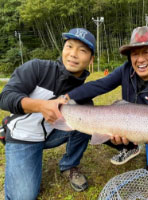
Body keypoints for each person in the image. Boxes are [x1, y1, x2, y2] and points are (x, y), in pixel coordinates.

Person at [64, 26, 148, 200]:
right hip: (129, 124)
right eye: (134, 54)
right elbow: (100, 85)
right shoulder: (126, 70)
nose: (140, 59)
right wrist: (68, 97)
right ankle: (130, 148)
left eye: (146, 52)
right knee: (101, 127)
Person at [0, 27, 95, 200]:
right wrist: (41, 106)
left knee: (86, 120)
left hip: (52, 133)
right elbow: (5, 97)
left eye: (82, 50)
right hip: (23, 136)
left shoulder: (84, 93)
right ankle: (7, 130)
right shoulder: (37, 68)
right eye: (69, 46)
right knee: (24, 196)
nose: (73, 54)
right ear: (63, 49)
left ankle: (69, 165)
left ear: (91, 59)